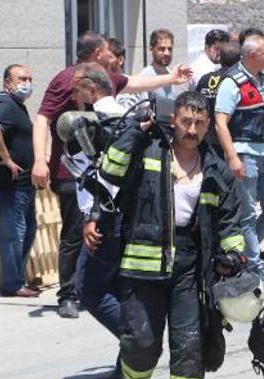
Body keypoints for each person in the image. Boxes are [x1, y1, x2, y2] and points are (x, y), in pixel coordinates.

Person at [99, 91, 245, 379]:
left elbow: (230, 219)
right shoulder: (148, 151)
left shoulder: (215, 167)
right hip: (144, 264)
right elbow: (109, 172)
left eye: (199, 123)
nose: (191, 130)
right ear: (173, 120)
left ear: (208, 125)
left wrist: (232, 255)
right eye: (185, 121)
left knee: (189, 347)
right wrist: (136, 129)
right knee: (141, 343)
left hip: (191, 269)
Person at [31, 31, 193, 318]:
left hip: (110, 173)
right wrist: (39, 161)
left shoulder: (102, 79)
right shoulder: (68, 78)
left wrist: (171, 79)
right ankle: (68, 294)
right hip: (73, 172)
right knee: (73, 234)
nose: (112, 54)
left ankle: (105, 288)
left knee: (105, 232)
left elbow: (133, 83)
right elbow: (43, 117)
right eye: (107, 50)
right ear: (97, 53)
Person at [69, 63, 128, 379]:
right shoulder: (128, 116)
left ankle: (136, 343)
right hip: (124, 217)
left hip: (106, 217)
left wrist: (93, 217)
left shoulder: (100, 122)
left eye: (77, 90)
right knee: (118, 288)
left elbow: (104, 178)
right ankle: (128, 363)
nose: (74, 96)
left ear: (92, 90)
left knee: (88, 288)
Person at [215, 34, 264, 283]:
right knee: (247, 214)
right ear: (253, 55)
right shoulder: (232, 82)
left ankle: (243, 254)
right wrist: (233, 157)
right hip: (246, 153)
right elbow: (221, 122)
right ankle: (255, 265)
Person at [0, 64, 39, 298]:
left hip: (25, 184)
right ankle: (12, 284)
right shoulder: (5, 104)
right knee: (14, 233)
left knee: (27, 230)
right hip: (9, 185)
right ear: (7, 83)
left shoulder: (17, 106)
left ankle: (18, 279)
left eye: (29, 77)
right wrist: (6, 159)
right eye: (21, 78)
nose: (27, 82)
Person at [116, 28, 191, 109]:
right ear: (151, 49)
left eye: (169, 49)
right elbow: (137, 108)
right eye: (161, 49)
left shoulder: (171, 75)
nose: (167, 53)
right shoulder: (146, 76)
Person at [195, 41, 241, 151]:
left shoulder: (205, 79)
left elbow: (195, 106)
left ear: (220, 58)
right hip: (231, 142)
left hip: (206, 140)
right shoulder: (237, 81)